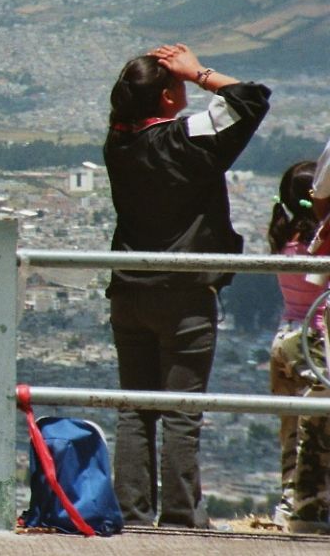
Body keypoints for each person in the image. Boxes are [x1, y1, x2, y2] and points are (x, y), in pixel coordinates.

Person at [104, 43, 270, 528]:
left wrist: (170, 81)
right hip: (184, 296)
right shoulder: (186, 139)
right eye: (175, 87)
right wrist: (198, 71)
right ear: (168, 99)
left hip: (129, 290)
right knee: (182, 411)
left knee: (135, 408)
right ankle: (180, 518)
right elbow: (249, 99)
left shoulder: (117, 143)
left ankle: (131, 513)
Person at [268, 161, 330, 533]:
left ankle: (288, 505)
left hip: (282, 338)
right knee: (318, 429)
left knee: (291, 430)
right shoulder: (318, 243)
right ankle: (310, 511)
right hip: (312, 340)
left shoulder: (282, 237)